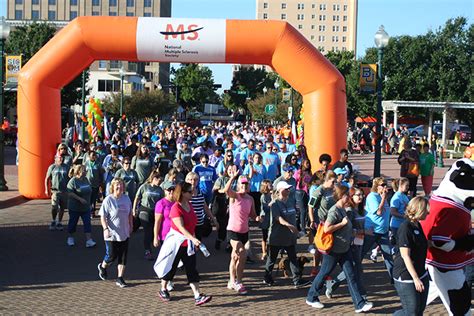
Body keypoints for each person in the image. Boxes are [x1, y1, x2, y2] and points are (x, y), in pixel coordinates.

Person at [306, 185, 373, 312]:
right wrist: (342, 224)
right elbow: (327, 228)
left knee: (351, 275)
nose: (349, 197)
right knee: (324, 273)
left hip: (344, 249)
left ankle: (359, 304)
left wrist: (354, 232)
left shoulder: (343, 209)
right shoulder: (334, 211)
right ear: (342, 196)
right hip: (334, 250)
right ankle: (311, 296)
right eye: (347, 194)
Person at [156, 182, 212, 306]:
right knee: (171, 267)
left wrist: (194, 240)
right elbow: (181, 228)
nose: (192, 193)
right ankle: (163, 288)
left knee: (192, 269)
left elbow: (192, 224)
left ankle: (197, 295)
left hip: (188, 244)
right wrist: (193, 238)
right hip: (176, 244)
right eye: (190, 192)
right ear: (183, 193)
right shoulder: (176, 208)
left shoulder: (189, 205)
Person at [263, 181, 311, 288]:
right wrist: (289, 225)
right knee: (272, 259)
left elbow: (295, 216)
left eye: (289, 189)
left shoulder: (290, 202)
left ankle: (297, 280)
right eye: (286, 189)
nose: (288, 191)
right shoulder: (275, 204)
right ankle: (267, 277)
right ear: (280, 190)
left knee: (293, 257)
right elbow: (277, 218)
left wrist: (296, 229)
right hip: (276, 236)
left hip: (289, 237)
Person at [325, 187, 367, 299]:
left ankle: (333, 284)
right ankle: (362, 295)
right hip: (352, 243)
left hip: (360, 242)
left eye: (362, 195)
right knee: (357, 269)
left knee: (354, 269)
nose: (361, 197)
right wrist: (363, 231)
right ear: (351, 196)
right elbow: (349, 229)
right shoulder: (349, 211)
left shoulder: (361, 209)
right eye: (358, 195)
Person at [224, 166, 259, 295]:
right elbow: (226, 190)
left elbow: (253, 214)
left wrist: (258, 218)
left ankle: (231, 281)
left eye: (246, 184)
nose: (244, 186)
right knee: (242, 253)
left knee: (234, 257)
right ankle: (238, 282)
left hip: (244, 232)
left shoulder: (250, 199)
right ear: (239, 185)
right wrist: (233, 177)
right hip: (233, 231)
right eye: (242, 184)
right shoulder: (235, 196)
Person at [393, 197, 430, 316]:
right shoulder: (405, 228)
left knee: (420, 309)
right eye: (426, 210)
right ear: (418, 210)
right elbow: (405, 256)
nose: (428, 213)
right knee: (412, 311)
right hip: (406, 275)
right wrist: (416, 279)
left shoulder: (417, 225)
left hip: (421, 271)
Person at [97, 178, 133, 288]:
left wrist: (131, 225)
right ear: (112, 187)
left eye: (121, 185)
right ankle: (103, 266)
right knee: (111, 255)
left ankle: (120, 278)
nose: (119, 187)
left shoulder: (126, 199)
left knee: (123, 256)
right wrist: (105, 228)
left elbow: (130, 214)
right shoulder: (108, 200)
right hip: (111, 234)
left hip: (124, 232)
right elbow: (103, 216)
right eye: (117, 185)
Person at [361, 177, 394, 279]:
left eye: (385, 185)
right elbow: (379, 212)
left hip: (383, 231)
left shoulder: (382, 196)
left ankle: (395, 280)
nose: (385, 187)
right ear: (376, 186)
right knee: (359, 257)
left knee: (388, 256)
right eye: (382, 185)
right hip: (372, 231)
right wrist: (384, 198)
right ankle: (336, 281)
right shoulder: (372, 197)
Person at [133, 170, 164, 260]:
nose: (160, 182)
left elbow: (162, 202)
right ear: (154, 179)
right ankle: (147, 251)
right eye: (159, 180)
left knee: (154, 230)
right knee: (148, 230)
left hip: (155, 212)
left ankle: (151, 243)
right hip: (144, 210)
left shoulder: (160, 190)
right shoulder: (144, 187)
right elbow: (137, 198)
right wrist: (134, 210)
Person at [66, 164, 96, 248]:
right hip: (75, 207)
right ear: (79, 171)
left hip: (85, 208)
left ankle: (89, 240)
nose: (86, 171)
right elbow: (70, 193)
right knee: (73, 223)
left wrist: (89, 204)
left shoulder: (86, 179)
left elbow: (89, 191)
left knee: (87, 223)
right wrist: (80, 199)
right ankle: (70, 238)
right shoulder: (73, 181)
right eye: (84, 170)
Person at [186, 172, 218, 241]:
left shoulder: (200, 193)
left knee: (198, 243)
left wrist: (214, 219)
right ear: (187, 181)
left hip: (199, 223)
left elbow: (206, 208)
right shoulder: (185, 194)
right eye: (190, 180)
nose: (193, 182)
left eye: (195, 180)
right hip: (189, 224)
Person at [44, 154, 70, 231]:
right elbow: (47, 178)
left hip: (64, 191)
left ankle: (59, 222)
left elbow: (70, 177)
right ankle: (53, 220)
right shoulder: (52, 167)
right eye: (59, 157)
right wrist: (46, 189)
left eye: (62, 158)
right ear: (55, 158)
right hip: (55, 190)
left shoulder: (66, 167)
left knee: (62, 207)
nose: (61, 159)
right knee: (54, 206)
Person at [294, 158, 312, 233]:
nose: (307, 164)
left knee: (306, 210)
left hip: (307, 192)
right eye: (306, 163)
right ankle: (303, 229)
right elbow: (294, 181)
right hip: (299, 192)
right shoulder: (298, 172)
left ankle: (298, 225)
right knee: (303, 210)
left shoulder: (309, 172)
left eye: (308, 163)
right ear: (303, 164)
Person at [84, 150, 104, 218]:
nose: (93, 157)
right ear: (89, 156)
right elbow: (83, 173)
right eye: (92, 155)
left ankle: (92, 212)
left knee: (93, 199)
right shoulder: (86, 163)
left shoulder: (98, 164)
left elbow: (101, 174)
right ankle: (87, 212)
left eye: (94, 155)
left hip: (95, 184)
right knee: (88, 198)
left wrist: (101, 183)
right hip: (87, 184)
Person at [390, 178, 410, 244]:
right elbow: (393, 212)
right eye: (406, 185)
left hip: (403, 224)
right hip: (397, 225)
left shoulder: (404, 196)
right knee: (400, 244)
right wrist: (404, 216)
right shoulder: (396, 197)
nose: (408, 187)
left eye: (408, 185)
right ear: (400, 185)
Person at [259, 180, 273, 260]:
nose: (271, 186)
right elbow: (265, 208)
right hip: (265, 218)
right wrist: (272, 202)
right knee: (264, 237)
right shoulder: (263, 196)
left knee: (270, 236)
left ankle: (269, 252)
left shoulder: (272, 195)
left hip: (271, 218)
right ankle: (264, 252)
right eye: (270, 185)